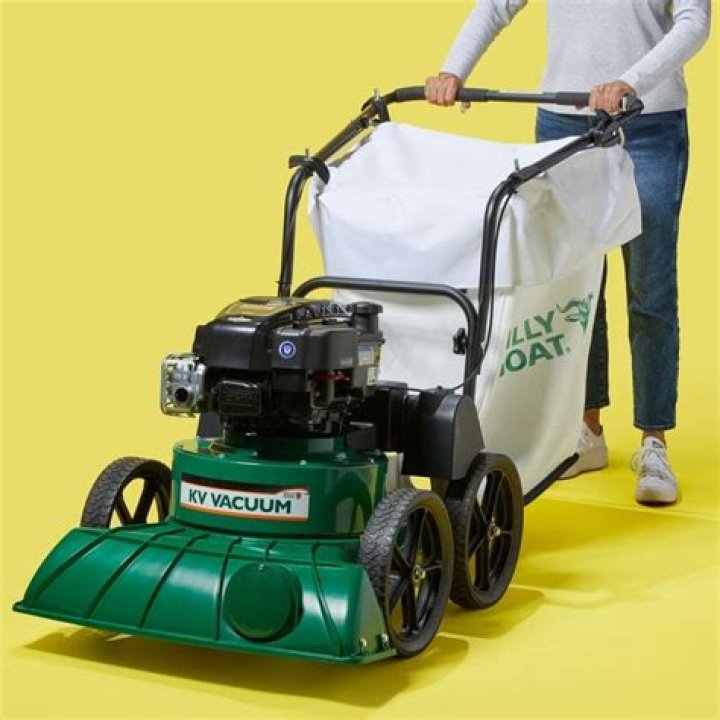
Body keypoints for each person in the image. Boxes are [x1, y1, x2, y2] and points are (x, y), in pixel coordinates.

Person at [426, 0, 710, 505]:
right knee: (578, 283)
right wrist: (454, 69)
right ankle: (588, 430)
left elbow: (695, 22)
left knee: (650, 287)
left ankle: (653, 441)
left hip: (647, 123)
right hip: (563, 124)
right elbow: (496, 5)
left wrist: (630, 82)